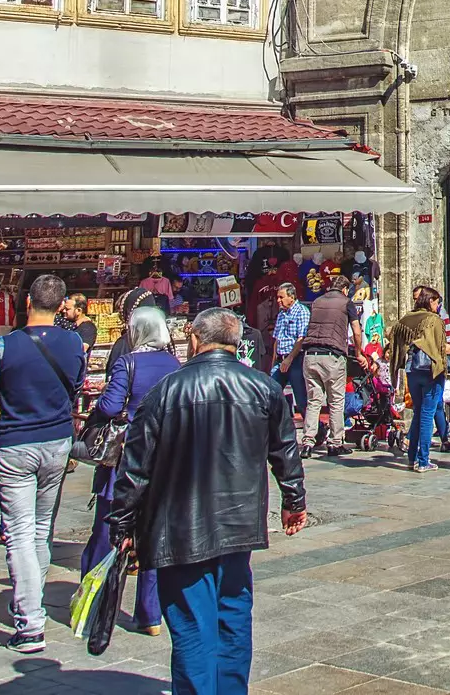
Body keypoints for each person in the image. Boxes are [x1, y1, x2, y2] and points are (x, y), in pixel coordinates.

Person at [109, 308, 306, 695]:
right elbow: (285, 450)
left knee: (192, 626)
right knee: (232, 618)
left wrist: (123, 524)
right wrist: (293, 499)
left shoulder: (165, 392)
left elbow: (135, 469)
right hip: (238, 524)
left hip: (180, 528)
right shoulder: (262, 388)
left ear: (195, 340)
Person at [0, 274, 87, 654]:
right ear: (61, 303)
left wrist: (1, 397)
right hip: (57, 443)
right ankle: (32, 604)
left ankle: (30, 623)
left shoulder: (4, 346)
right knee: (39, 529)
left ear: (28, 302)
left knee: (19, 532)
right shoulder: (74, 342)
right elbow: (79, 383)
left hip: (17, 443)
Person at [81, 305, 180, 634]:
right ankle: (149, 615)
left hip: (128, 455)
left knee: (108, 529)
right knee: (152, 535)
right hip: (162, 455)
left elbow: (109, 406)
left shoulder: (129, 362)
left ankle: (93, 600)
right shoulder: (174, 364)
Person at [295, 280, 363, 457]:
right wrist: (358, 352)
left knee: (313, 401)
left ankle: (308, 443)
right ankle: (335, 442)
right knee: (336, 401)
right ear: (345, 289)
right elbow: (356, 330)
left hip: (310, 355)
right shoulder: (346, 302)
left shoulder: (317, 302)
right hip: (332, 356)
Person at [387, 288, 449, 472]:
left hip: (412, 371)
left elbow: (392, 334)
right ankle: (423, 461)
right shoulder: (433, 320)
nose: (438, 306)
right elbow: (440, 347)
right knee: (427, 414)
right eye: (436, 302)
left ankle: (412, 457)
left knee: (419, 412)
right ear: (430, 301)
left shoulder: (407, 318)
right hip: (431, 372)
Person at [268, 284, 308, 421]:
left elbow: (301, 339)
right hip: (280, 360)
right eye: (277, 297)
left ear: (291, 297)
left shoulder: (301, 311)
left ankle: (317, 431)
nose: (278, 300)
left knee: (302, 400)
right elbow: (277, 339)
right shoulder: (281, 314)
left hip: (295, 360)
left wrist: (289, 359)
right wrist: (274, 362)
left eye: (281, 297)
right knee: (270, 392)